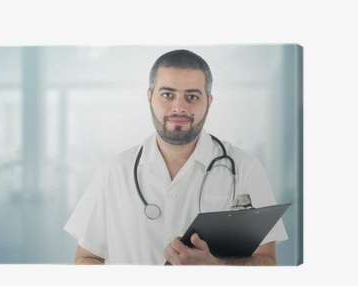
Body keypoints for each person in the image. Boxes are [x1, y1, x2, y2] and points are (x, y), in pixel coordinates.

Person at [63, 49, 287, 265]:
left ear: (208, 102)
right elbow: (87, 258)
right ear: (149, 97)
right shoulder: (114, 172)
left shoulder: (244, 168)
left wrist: (215, 266)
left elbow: (266, 260)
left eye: (192, 96)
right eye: (168, 95)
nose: (179, 107)